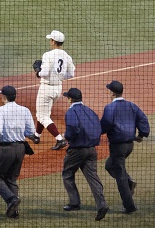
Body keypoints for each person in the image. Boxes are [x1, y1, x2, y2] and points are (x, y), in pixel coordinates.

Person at [100, 80, 150, 215]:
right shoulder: (131, 105)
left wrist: (98, 132)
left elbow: (106, 124)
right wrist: (142, 134)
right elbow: (143, 119)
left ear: (112, 93)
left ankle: (129, 206)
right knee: (110, 166)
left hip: (118, 147)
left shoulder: (110, 108)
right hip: (130, 145)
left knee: (119, 176)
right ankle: (130, 182)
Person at [0, 85, 37, 219]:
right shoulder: (25, 110)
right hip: (20, 149)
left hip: (6, 149)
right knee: (11, 179)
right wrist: (34, 138)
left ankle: (11, 199)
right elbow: (30, 132)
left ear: (4, 97)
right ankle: (14, 211)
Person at [60, 87, 109, 220]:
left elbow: (73, 128)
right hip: (92, 150)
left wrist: (67, 137)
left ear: (70, 99)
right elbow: (99, 127)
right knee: (92, 177)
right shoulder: (90, 111)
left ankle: (74, 202)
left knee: (67, 173)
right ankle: (102, 204)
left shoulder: (71, 111)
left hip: (77, 150)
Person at [34, 30, 75, 147]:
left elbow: (45, 72)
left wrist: (38, 72)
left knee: (42, 116)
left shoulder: (47, 55)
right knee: (43, 113)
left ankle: (59, 139)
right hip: (58, 89)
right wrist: (59, 77)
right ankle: (36, 135)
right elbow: (71, 74)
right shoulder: (67, 56)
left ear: (53, 41)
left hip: (46, 89)